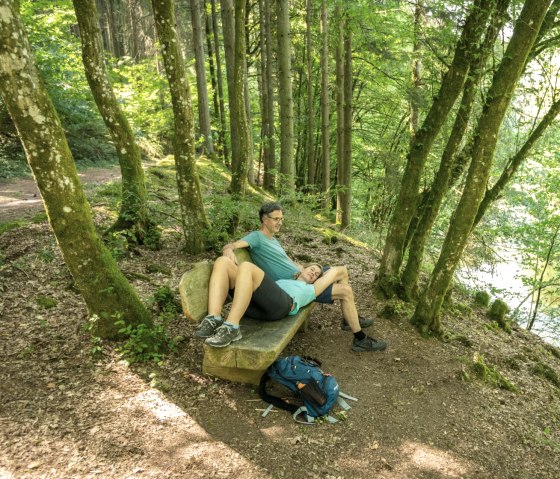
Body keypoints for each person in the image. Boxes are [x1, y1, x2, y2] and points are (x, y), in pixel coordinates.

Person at [221, 202, 380, 333]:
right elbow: (234, 245)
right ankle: (351, 320)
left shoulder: (273, 240)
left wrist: (303, 268)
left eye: (282, 219)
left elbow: (287, 260)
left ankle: (348, 317)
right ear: (264, 219)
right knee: (344, 288)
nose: (280, 222)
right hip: (292, 286)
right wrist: (228, 249)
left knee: (343, 270)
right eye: (276, 219)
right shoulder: (256, 237)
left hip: (301, 276)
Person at [196, 257, 386, 352]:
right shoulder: (285, 280)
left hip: (282, 306)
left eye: (317, 275)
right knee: (222, 261)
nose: (314, 273)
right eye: (312, 269)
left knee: (246, 266)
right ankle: (213, 318)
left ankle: (231, 327)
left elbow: (338, 271)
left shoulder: (311, 290)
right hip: (255, 305)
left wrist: (326, 275)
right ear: (299, 271)